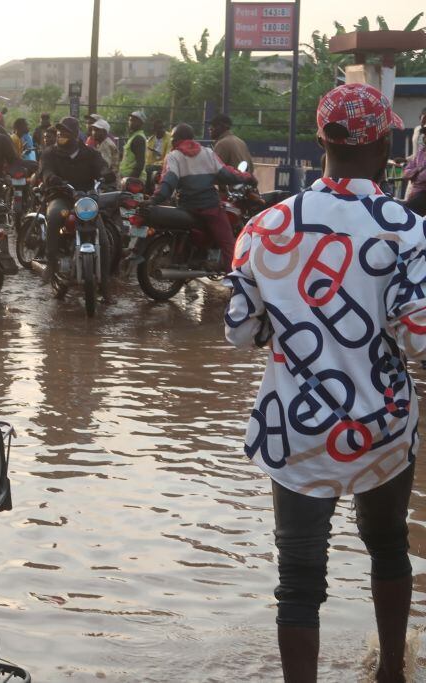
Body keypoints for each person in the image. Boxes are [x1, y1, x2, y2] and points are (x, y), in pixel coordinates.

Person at [225, 83, 421, 683]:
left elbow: (239, 331)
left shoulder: (263, 227)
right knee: (388, 545)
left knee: (298, 576)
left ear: (320, 142)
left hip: (297, 431)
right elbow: (417, 339)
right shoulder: (408, 230)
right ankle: (391, 671)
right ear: (386, 144)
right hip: (382, 426)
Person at [147, 123, 252, 272]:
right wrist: (247, 177)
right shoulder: (207, 153)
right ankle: (235, 282)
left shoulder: (174, 156)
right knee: (228, 244)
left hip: (186, 207)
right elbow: (228, 174)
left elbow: (168, 181)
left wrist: (154, 199)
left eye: (172, 138)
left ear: (176, 139)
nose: (171, 141)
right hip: (210, 208)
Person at [39, 117, 107, 282]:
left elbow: (102, 166)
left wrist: (106, 173)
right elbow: (46, 171)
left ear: (75, 134)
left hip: (85, 200)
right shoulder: (49, 153)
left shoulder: (90, 153)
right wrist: (52, 178)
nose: (61, 134)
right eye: (60, 131)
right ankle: (51, 262)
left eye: (65, 131)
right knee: (55, 216)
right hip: (61, 197)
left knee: (103, 237)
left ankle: (105, 282)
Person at [119, 111, 147, 180]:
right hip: (126, 177)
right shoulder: (133, 137)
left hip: (133, 180)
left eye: (134, 120)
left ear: (141, 123)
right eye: (130, 120)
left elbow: (140, 163)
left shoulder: (138, 139)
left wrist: (131, 180)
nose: (131, 122)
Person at [403, 132, 426, 216]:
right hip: (414, 193)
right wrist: (417, 170)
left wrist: (415, 174)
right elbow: (406, 172)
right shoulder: (421, 152)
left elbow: (423, 178)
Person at [90, 119, 119, 183]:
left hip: (109, 183)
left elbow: (104, 167)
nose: (93, 132)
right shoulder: (103, 143)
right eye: (93, 130)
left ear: (105, 132)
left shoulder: (105, 145)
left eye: (97, 130)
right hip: (111, 180)